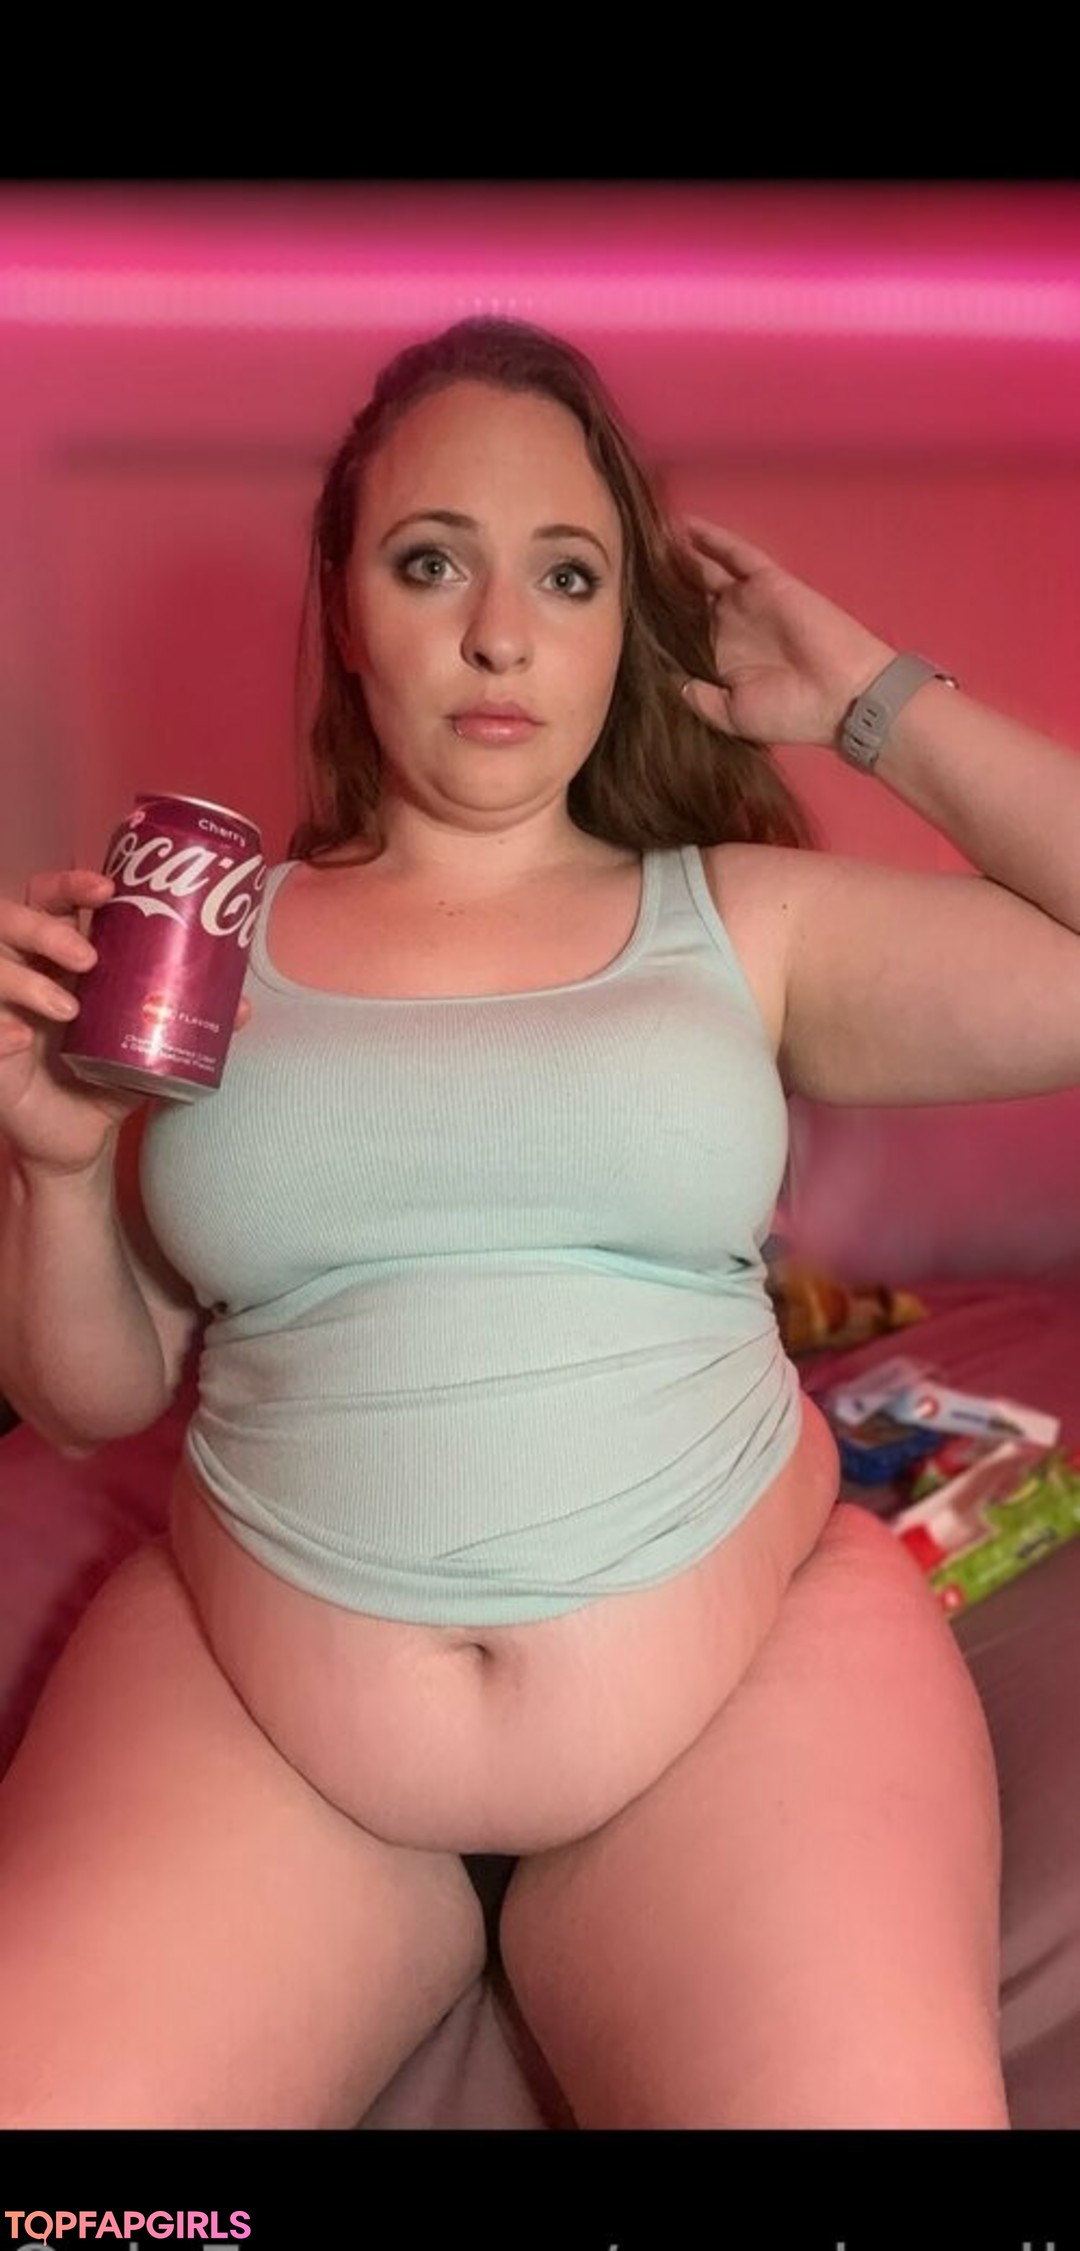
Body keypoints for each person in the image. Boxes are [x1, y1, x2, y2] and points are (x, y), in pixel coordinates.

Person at [1, 313, 1078, 2132]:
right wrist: (45, 1171)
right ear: (347, 605)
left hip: (742, 1698)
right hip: (256, 1724)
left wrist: (870, 701)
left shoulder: (742, 918)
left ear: (620, 629)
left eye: (569, 576)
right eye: (434, 562)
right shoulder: (199, 942)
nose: (502, 632)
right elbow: (92, 1401)